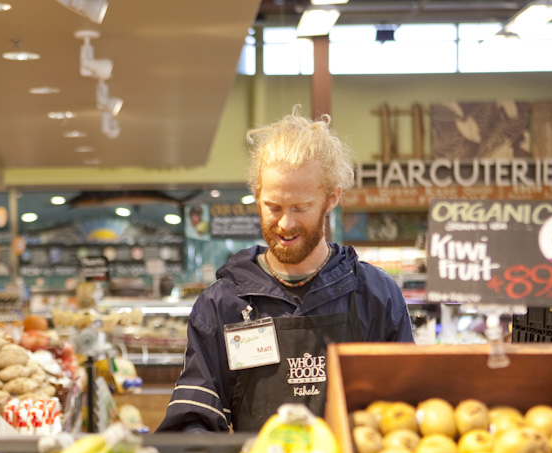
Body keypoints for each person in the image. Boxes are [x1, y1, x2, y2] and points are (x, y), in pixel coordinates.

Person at [157, 107, 414, 433]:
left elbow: (403, 411)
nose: (286, 224)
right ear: (257, 196)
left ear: (331, 198)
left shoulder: (376, 295)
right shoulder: (223, 304)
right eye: (273, 207)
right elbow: (196, 418)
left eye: (301, 208)